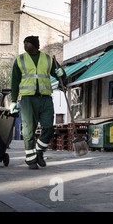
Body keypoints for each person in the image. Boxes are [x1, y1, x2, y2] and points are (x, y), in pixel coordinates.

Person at [10, 36, 66, 170]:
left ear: (34, 45)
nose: (25, 45)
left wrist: (61, 72)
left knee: (48, 127)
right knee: (29, 130)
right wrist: (13, 101)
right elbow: (14, 81)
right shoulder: (20, 59)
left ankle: (39, 152)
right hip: (28, 99)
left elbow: (60, 76)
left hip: (45, 98)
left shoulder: (47, 59)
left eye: (27, 43)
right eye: (24, 43)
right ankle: (31, 160)